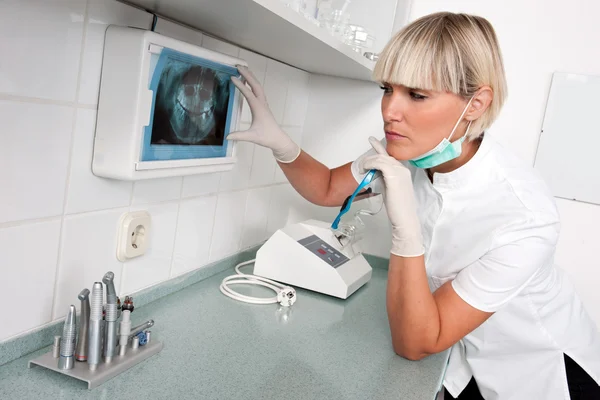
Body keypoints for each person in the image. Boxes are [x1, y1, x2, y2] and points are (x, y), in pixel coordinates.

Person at [227, 11, 600, 400]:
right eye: (388, 89)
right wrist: (281, 145)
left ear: (475, 104)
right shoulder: (408, 150)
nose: (390, 110)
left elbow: (415, 343)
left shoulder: (524, 216)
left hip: (538, 374)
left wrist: (406, 230)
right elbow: (326, 188)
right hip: (461, 362)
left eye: (417, 95)